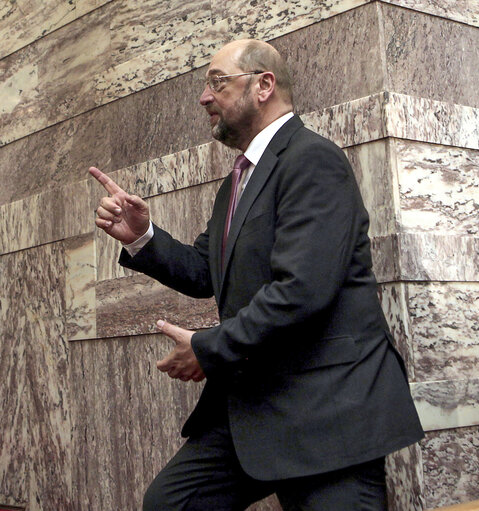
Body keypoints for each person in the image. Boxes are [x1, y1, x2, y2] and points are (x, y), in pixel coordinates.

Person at [90, 39, 423, 511]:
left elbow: (302, 291)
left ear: (264, 84)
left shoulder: (312, 158)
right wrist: (142, 236)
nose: (204, 97)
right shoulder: (239, 179)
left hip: (328, 411)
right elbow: (204, 272)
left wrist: (206, 348)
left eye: (217, 82)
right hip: (257, 403)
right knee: (171, 503)